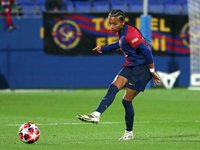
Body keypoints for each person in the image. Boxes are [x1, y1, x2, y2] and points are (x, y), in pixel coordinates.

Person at [77, 9, 161, 141]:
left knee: (126, 101)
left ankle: (129, 133)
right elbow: (120, 44)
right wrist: (103, 48)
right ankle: (96, 114)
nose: (111, 26)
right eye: (110, 23)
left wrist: (152, 72)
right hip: (131, 65)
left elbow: (147, 51)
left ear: (122, 22)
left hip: (142, 68)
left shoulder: (130, 34)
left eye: (114, 24)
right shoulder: (122, 32)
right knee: (113, 87)